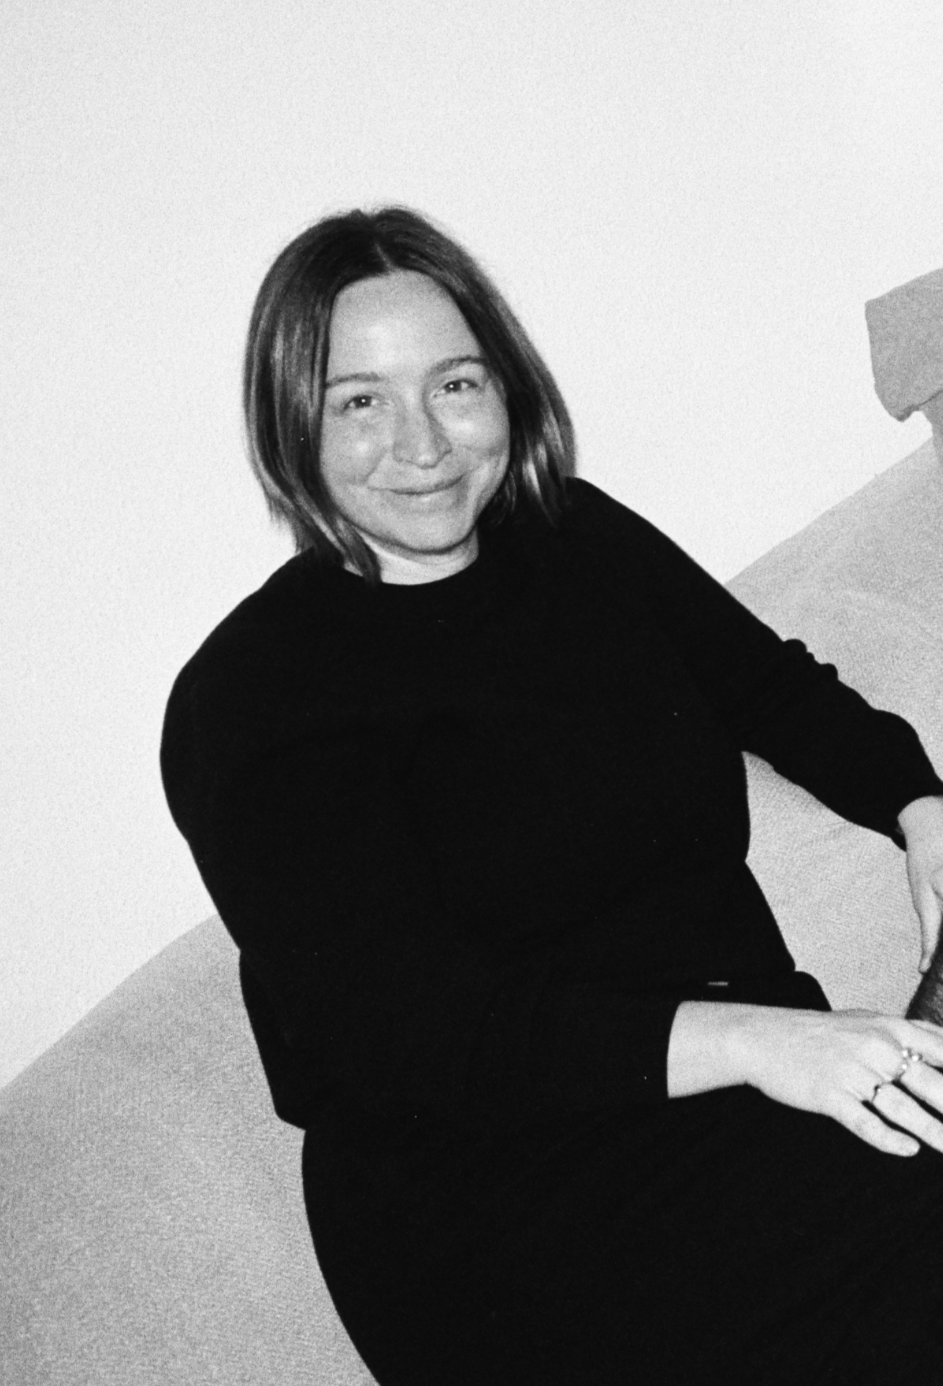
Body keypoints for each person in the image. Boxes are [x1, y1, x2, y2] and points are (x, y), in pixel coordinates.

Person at [161, 206, 943, 1386]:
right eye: (359, 400)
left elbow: (768, 687)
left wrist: (919, 808)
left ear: (505, 386)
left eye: (454, 384)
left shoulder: (576, 541)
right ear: (291, 425)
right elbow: (412, 1037)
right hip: (503, 1205)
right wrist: (765, 1042)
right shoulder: (255, 698)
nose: (421, 442)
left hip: (752, 1100)